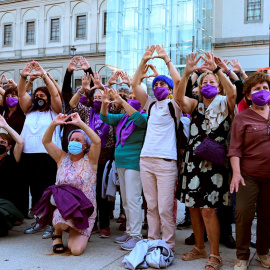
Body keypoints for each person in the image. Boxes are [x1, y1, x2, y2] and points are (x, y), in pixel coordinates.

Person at [175, 52, 236, 270]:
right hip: (193, 162)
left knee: (209, 209)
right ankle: (199, 247)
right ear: (199, 88)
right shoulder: (195, 105)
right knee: (193, 207)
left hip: (214, 164)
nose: (208, 85)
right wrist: (187, 72)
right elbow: (178, 98)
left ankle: (215, 254)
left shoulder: (225, 103)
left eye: (212, 82)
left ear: (218, 87)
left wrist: (218, 70)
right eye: (204, 82)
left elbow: (233, 92)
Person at [131, 45, 182, 252]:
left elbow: (178, 81)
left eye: (163, 84)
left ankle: (168, 244)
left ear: (169, 90)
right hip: (146, 160)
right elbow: (134, 84)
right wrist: (143, 61)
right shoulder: (150, 105)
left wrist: (167, 60)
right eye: (156, 84)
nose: (159, 86)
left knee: (165, 209)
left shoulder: (174, 106)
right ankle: (153, 241)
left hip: (166, 162)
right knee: (150, 206)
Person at [41, 112, 101, 255]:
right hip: (64, 207)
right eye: (72, 139)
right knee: (61, 222)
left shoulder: (91, 160)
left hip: (84, 209)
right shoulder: (62, 158)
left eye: (79, 140)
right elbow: (46, 142)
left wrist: (80, 123)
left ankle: (77, 230)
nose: (74, 142)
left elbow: (97, 141)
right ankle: (57, 234)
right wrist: (54, 124)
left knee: (75, 250)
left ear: (85, 145)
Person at [228, 72, 270, 270]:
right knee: (244, 213)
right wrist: (236, 173)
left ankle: (263, 251)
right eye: (257, 89)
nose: (262, 92)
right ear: (248, 95)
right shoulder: (242, 118)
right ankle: (242, 256)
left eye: (266, 88)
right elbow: (235, 148)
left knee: (267, 216)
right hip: (248, 176)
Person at [18, 61, 62, 239]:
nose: (39, 97)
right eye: (37, 95)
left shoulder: (55, 112)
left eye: (43, 95)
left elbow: (55, 94)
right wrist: (23, 76)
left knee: (48, 189)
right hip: (29, 155)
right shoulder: (29, 111)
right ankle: (39, 220)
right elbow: (21, 93)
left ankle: (51, 223)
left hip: (48, 155)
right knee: (35, 190)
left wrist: (44, 76)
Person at [100, 88, 147, 250]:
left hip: (134, 163)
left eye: (136, 98)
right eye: (131, 97)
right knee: (126, 200)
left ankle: (136, 235)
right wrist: (105, 103)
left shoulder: (144, 115)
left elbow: (139, 120)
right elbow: (104, 117)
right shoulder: (124, 117)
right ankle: (129, 231)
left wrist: (123, 101)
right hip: (121, 162)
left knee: (133, 200)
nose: (133, 99)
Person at [69, 74, 115, 238]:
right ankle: (91, 222)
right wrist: (82, 88)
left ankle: (104, 224)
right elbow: (73, 104)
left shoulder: (112, 110)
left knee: (101, 192)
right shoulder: (87, 113)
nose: (97, 100)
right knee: (89, 190)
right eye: (95, 97)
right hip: (88, 156)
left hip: (105, 156)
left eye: (101, 97)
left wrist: (102, 87)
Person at [0, 115, 24, 235]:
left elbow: (19, 142)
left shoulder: (12, 159)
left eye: (2, 142)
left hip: (9, 204)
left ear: (9, 146)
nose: (0, 144)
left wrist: (5, 126)